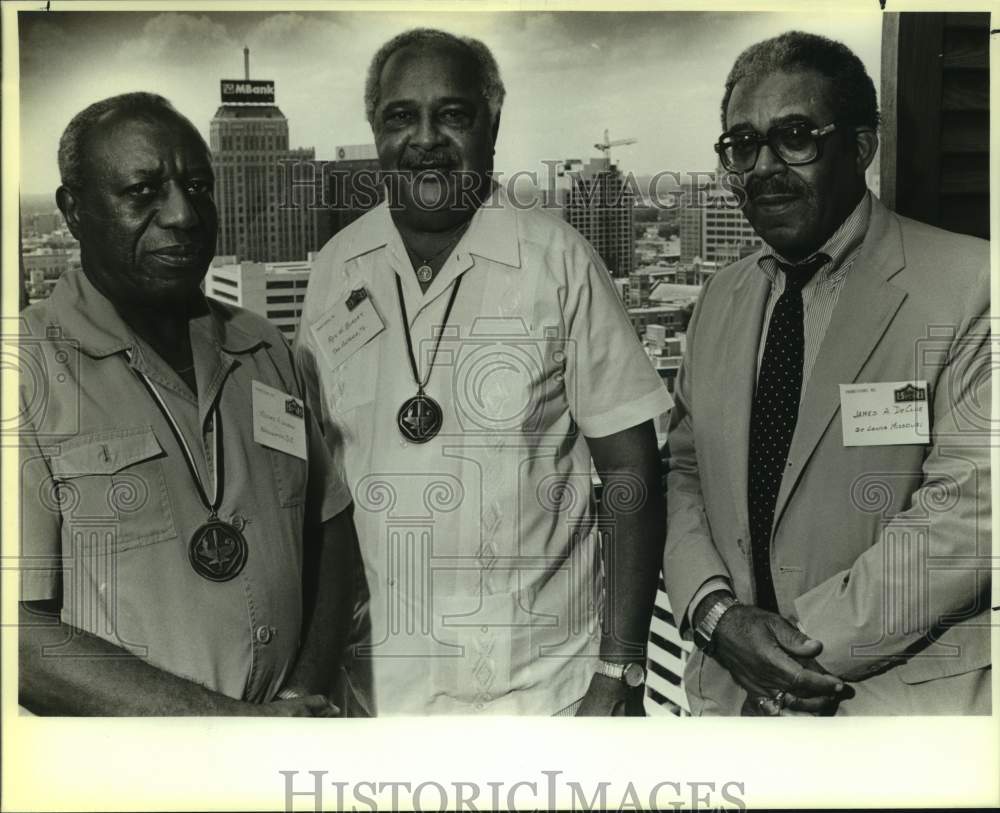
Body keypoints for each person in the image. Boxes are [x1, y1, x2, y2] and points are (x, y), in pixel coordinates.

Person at [295, 28, 672, 715]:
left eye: (453, 114)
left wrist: (620, 671)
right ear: (376, 132)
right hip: (375, 696)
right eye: (400, 116)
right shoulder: (334, 270)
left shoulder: (559, 261)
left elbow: (631, 471)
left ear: (492, 125)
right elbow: (318, 487)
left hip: (542, 692)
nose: (426, 138)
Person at [664, 31, 991, 716]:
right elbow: (685, 472)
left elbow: (967, 520)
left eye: (794, 136)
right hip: (730, 708)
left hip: (886, 713)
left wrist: (784, 651)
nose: (762, 166)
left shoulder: (973, 286)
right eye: (742, 144)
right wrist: (716, 615)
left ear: (862, 148)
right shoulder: (720, 297)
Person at [19, 92, 357, 716]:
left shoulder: (265, 348)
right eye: (142, 192)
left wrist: (298, 697)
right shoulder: (24, 373)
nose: (182, 214)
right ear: (72, 211)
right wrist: (236, 728)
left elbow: (330, 532)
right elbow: (21, 643)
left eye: (198, 186)